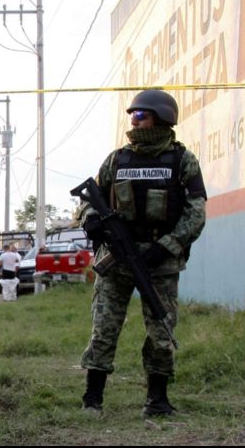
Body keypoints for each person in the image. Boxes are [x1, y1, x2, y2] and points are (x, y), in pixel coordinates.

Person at [79, 90, 206, 417]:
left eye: (141, 115)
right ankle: (92, 399)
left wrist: (165, 247)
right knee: (104, 328)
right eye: (132, 115)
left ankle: (157, 400)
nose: (134, 121)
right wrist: (91, 220)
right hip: (116, 259)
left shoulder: (182, 160)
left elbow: (196, 213)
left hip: (160, 262)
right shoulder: (117, 159)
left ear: (162, 119)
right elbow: (89, 199)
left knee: (162, 331)